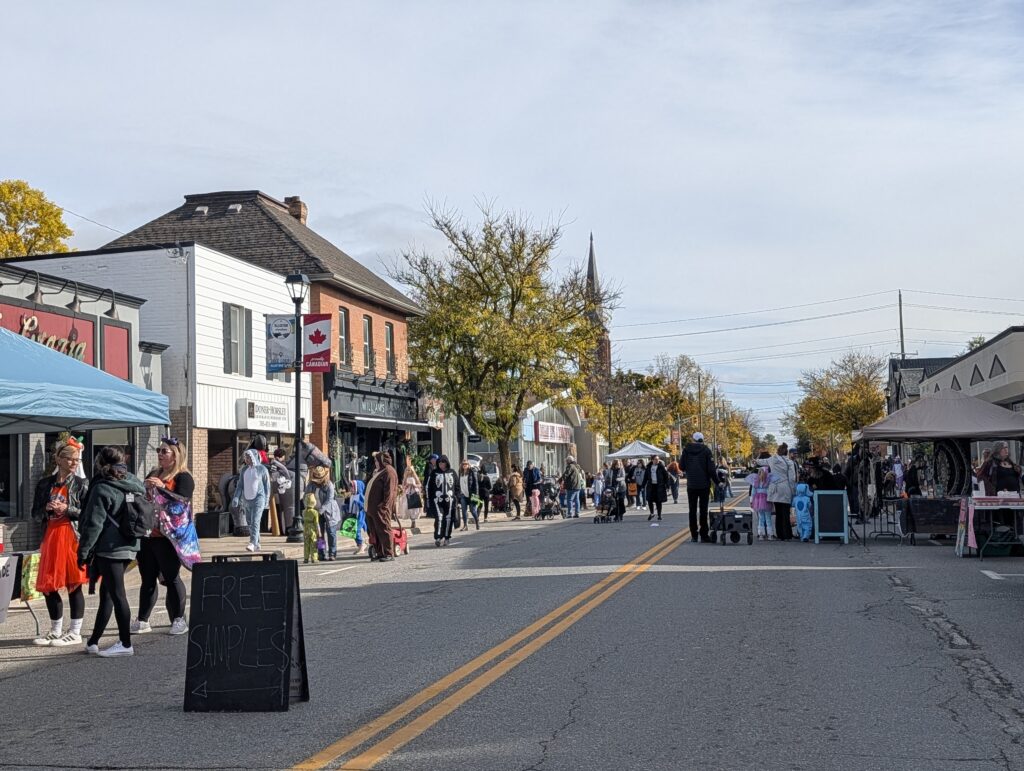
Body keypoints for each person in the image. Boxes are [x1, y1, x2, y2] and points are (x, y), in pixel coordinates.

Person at [77, 446, 144, 657]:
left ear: (99, 463)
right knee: (107, 593)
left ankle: (125, 644)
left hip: (110, 548)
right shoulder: (133, 482)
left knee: (116, 595)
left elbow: (93, 524)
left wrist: (83, 552)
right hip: (131, 544)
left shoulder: (102, 487)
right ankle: (93, 641)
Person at [133, 436, 194, 636]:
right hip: (150, 533)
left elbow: (182, 502)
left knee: (171, 577)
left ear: (175, 456)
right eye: (158, 451)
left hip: (169, 536)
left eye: (164, 451)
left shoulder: (183, 477)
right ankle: (142, 620)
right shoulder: (154, 473)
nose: (160, 454)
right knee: (147, 578)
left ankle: (178, 619)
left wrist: (162, 487)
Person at [31, 436, 89, 647]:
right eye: (70, 459)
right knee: (48, 585)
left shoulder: (82, 484)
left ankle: (75, 631)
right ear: (58, 459)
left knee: (74, 584)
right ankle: (55, 629)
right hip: (51, 536)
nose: (74, 463)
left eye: (77, 460)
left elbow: (88, 514)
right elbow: (35, 514)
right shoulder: (45, 484)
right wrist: (46, 509)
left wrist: (68, 509)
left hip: (72, 537)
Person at [758, 443, 798, 541]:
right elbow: (792, 478)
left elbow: (760, 462)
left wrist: (756, 458)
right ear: (786, 452)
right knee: (785, 512)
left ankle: (779, 533)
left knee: (778, 512)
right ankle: (787, 534)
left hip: (774, 488)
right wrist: (793, 490)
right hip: (785, 487)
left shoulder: (772, 459)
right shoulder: (789, 462)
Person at [682, 433, 718, 543]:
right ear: (702, 439)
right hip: (704, 485)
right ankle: (704, 535)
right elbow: (711, 469)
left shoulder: (686, 450)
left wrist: (690, 469)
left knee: (692, 510)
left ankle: (694, 535)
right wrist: (718, 482)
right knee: (703, 510)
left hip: (691, 484)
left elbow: (681, 466)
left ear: (693, 439)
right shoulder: (706, 451)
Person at [232, 449, 270, 553]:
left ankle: (252, 543)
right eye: (245, 457)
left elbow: (267, 486)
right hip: (247, 500)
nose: (246, 459)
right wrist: (236, 498)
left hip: (259, 498)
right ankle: (257, 543)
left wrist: (266, 500)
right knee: (249, 522)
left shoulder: (262, 469)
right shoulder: (244, 470)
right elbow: (240, 486)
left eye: (248, 457)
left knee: (255, 521)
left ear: (254, 457)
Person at [365, 451, 400, 561]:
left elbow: (389, 491)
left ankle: (389, 553)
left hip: (381, 508)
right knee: (374, 531)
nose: (375, 462)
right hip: (372, 509)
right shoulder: (380, 471)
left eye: (376, 460)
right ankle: (380, 552)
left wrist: (384, 507)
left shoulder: (389, 472)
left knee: (384, 529)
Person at [306, 463, 339, 561]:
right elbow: (307, 496)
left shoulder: (329, 485)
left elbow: (329, 499)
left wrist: (321, 510)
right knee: (319, 534)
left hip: (329, 512)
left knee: (331, 533)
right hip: (316, 512)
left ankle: (332, 553)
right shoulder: (311, 485)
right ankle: (322, 553)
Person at [428, 455, 457, 546]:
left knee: (448, 518)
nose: (441, 465)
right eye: (440, 463)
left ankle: (447, 537)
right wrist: (430, 499)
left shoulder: (452, 472)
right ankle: (438, 537)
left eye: (443, 463)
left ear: (446, 463)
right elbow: (430, 487)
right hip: (437, 500)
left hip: (450, 500)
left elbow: (457, 486)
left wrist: (457, 498)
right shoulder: (434, 473)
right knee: (439, 517)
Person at [269, 447, 294, 534]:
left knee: (277, 510)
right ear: (283, 456)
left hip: (274, 491)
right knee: (284, 509)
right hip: (281, 490)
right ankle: (284, 529)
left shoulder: (271, 464)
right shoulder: (281, 465)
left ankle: (277, 528)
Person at [642, 455, 670, 521]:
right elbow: (645, 477)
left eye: (658, 459)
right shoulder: (648, 467)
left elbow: (666, 477)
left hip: (659, 486)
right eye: (655, 459)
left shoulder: (661, 467)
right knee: (649, 500)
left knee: (658, 501)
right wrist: (643, 486)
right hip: (651, 486)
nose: (657, 460)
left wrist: (667, 486)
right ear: (652, 460)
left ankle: (659, 515)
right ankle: (652, 513)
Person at [398, 465, 424, 533]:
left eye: (409, 470)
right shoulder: (405, 478)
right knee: (407, 506)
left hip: (414, 492)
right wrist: (406, 486)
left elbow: (420, 485)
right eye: (407, 470)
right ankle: (411, 519)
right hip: (407, 493)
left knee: (414, 508)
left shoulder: (414, 477)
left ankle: (413, 521)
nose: (408, 471)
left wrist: (414, 485)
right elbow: (403, 486)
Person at [751, 459, 773, 539]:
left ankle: (761, 534)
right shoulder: (768, 482)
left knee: (761, 518)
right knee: (768, 517)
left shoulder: (755, 482)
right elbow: (770, 491)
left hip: (758, 501)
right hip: (767, 500)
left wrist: (751, 501)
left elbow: (753, 492)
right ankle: (770, 534)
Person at [458, 460, 481, 531]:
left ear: (468, 465)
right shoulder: (461, 473)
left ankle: (477, 521)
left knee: (472, 510)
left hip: (471, 494)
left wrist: (476, 495)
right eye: (463, 464)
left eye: (466, 464)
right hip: (463, 494)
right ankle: (465, 525)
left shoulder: (472, 472)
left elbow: (476, 484)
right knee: (464, 510)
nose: (464, 465)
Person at [302, 493, 322, 564]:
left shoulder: (303, 512)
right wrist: (319, 532)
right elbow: (316, 523)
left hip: (306, 529)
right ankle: (314, 558)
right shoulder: (315, 512)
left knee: (306, 545)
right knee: (314, 544)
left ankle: (306, 558)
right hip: (312, 530)